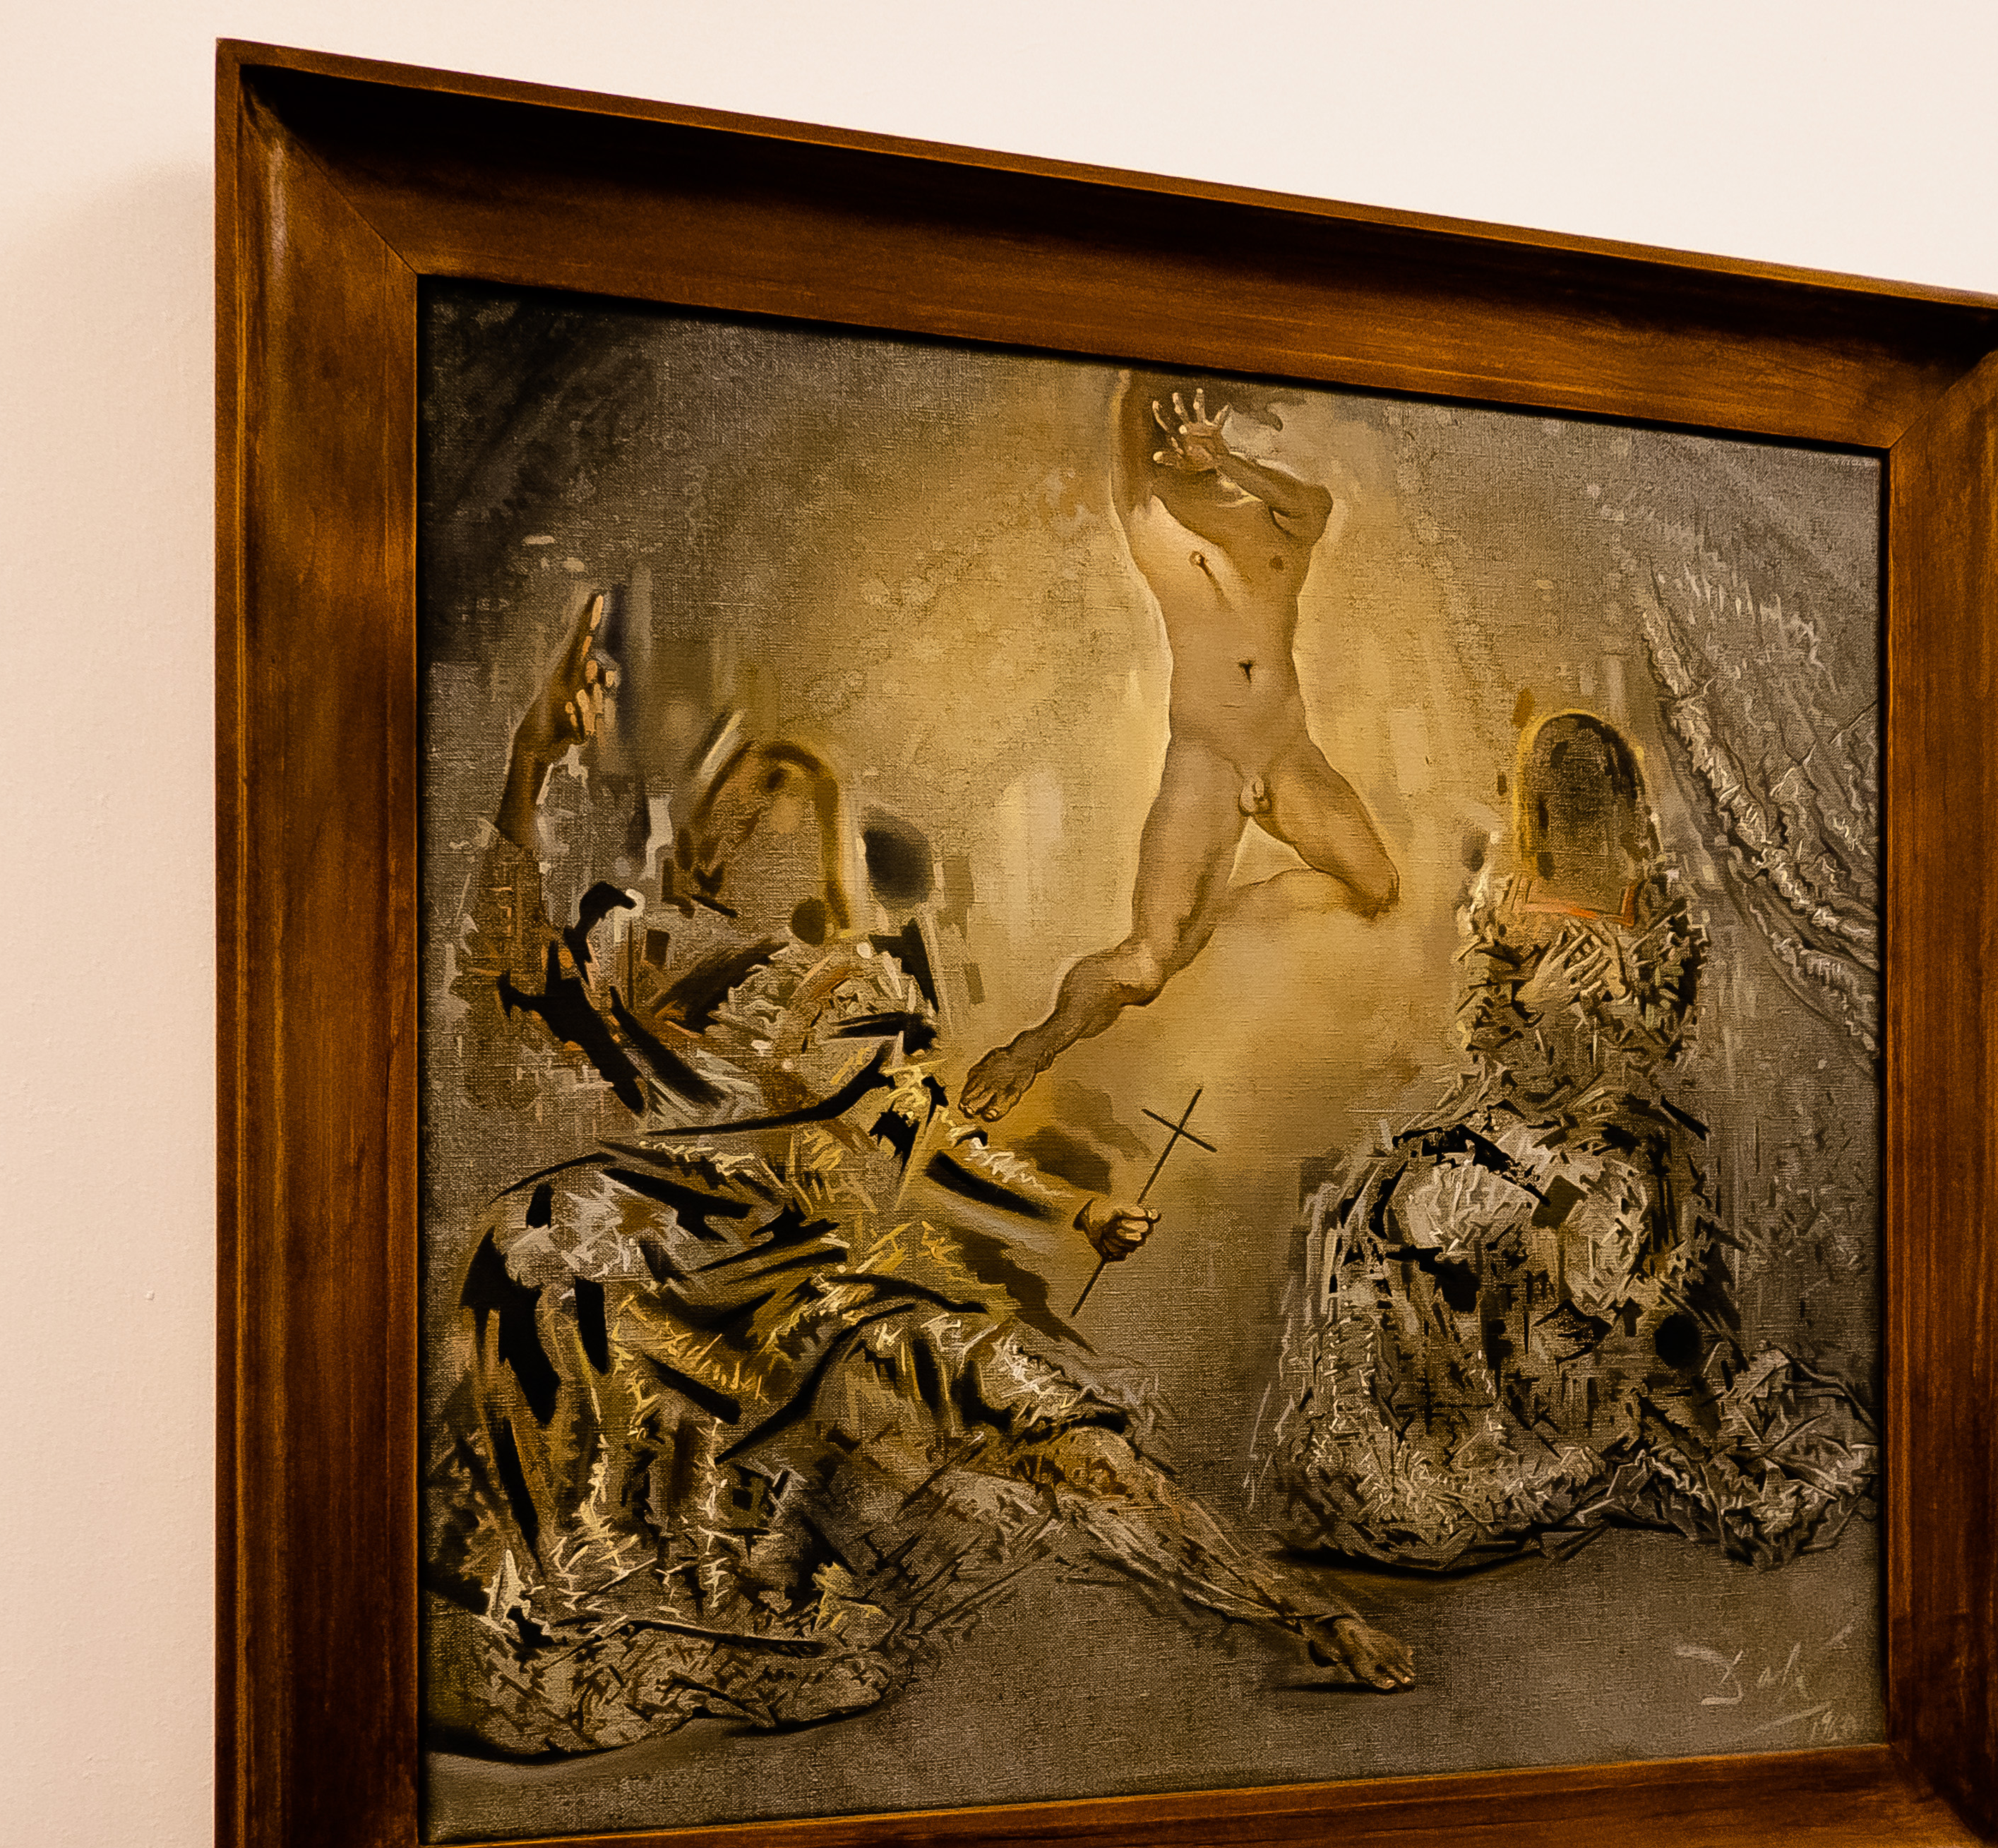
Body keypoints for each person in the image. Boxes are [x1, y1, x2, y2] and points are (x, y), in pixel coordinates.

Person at [428, 592, 1413, 1759]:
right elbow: (504, 976)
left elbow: (935, 1139)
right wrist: (527, 761)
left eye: (789, 827)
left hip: (803, 1309)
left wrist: (1075, 1208)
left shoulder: (846, 994)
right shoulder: (631, 949)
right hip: (647, 1291)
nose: (755, 843)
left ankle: (1295, 1606)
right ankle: (607, 1598)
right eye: (738, 820)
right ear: (702, 844)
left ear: (822, 866)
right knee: (542, 1265)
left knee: (1051, 1427)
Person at [1258, 712, 1877, 1574]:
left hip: (1618, 1137)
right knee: (1398, 1196)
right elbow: (1479, 1030)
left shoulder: (1658, 909)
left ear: (1620, 805)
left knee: (1556, 1218)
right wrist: (1533, 1000)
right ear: (1543, 811)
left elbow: (1663, 1044)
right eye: (1563, 804)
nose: (1582, 822)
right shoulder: (1504, 900)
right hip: (1510, 1124)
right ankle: (1443, 1439)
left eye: (1596, 803)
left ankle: (1550, 1431)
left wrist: (1615, 998)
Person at [959, 378, 1401, 1119]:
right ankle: (1032, 1049)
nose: (1176, 436)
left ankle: (1220, 913)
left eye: (1191, 420)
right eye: (1164, 424)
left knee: (1376, 889)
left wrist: (1224, 459)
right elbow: (1126, 416)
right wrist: (1134, 395)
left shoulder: (1277, 520)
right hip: (1206, 758)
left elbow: (1314, 507)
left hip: (1286, 750)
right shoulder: (1150, 517)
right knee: (1146, 964)